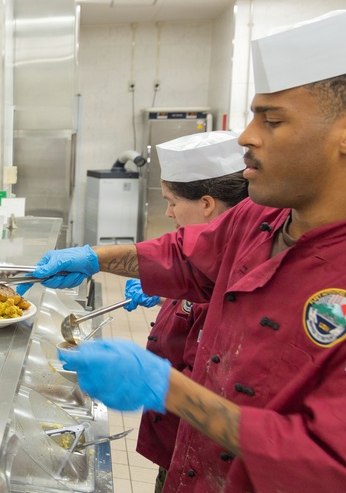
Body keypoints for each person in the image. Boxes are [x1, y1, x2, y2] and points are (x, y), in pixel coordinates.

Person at [32, 1, 346, 492]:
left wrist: (169, 390)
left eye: (272, 121)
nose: (247, 136)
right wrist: (95, 258)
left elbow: (338, 464)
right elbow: (185, 257)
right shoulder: (264, 215)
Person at [127, 131, 248, 492]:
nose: (168, 213)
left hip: (205, 448)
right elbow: (185, 274)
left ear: (208, 204)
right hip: (177, 439)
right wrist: (167, 295)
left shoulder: (243, 261)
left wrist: (143, 375)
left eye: (172, 202)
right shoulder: (203, 257)